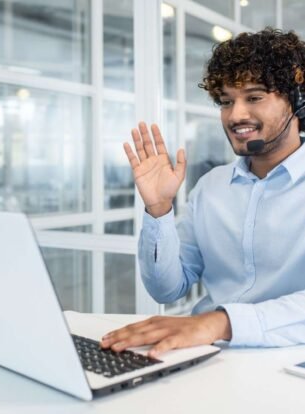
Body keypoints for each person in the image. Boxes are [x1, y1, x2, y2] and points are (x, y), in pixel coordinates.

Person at [100, 27, 305, 358]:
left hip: (286, 364)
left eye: (254, 97)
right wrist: (159, 210)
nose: (236, 115)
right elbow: (167, 288)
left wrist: (219, 323)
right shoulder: (212, 187)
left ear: (298, 100)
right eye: (226, 101)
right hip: (204, 355)